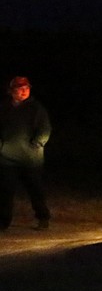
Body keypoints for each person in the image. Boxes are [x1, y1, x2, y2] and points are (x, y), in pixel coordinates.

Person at [0, 76, 52, 230]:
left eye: (26, 88)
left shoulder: (36, 109)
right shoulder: (3, 108)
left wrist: (37, 143)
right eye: (19, 88)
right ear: (11, 91)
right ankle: (3, 222)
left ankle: (43, 218)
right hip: (7, 158)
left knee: (35, 190)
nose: (23, 91)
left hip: (31, 160)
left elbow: (45, 129)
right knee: (5, 192)